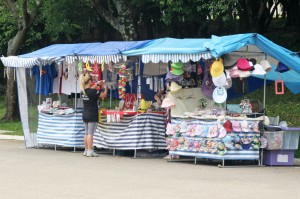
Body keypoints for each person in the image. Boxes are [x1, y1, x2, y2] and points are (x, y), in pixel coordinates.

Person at [80, 73, 108, 157]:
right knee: (90, 134)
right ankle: (90, 150)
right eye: (92, 80)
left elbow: (90, 89)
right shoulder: (92, 92)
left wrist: (97, 84)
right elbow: (104, 95)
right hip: (92, 114)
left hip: (85, 113)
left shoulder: (83, 91)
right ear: (89, 81)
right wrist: (106, 89)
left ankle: (86, 150)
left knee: (86, 133)